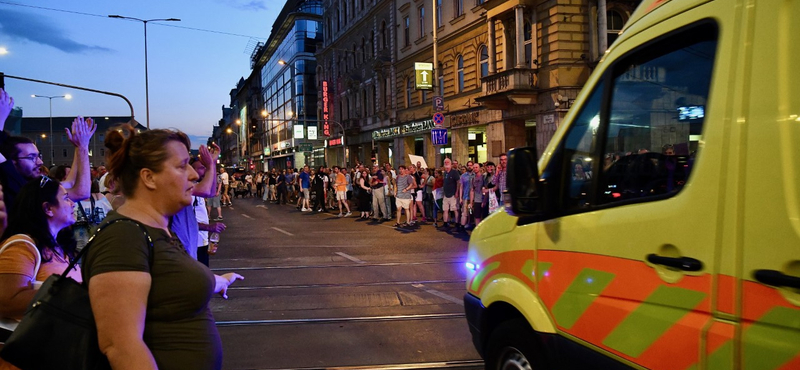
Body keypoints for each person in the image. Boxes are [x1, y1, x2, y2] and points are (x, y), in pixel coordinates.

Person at [81, 126, 243, 370]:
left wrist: (219, 281)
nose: (192, 174)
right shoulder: (123, 237)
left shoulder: (156, 230)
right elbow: (121, 346)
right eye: (181, 165)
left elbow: (168, 282)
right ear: (149, 177)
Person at [0, 177, 81, 368]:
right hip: (21, 359)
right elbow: (6, 300)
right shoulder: (22, 245)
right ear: (47, 208)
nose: (72, 203)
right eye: (66, 198)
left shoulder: (61, 248)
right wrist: (74, 295)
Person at [0, 91, 94, 210]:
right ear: (11, 163)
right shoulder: (24, 190)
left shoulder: (37, 184)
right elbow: (81, 192)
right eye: (31, 157)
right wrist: (83, 147)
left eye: (38, 156)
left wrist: (78, 146)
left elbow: (70, 183)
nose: (39, 162)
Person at [191, 158, 226, 267]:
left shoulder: (196, 187)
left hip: (201, 241)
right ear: (191, 170)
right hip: (193, 243)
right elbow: (186, 223)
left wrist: (212, 164)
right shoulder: (188, 191)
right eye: (202, 168)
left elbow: (211, 192)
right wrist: (209, 228)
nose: (205, 171)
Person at [440, 158, 460, 229]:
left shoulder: (454, 172)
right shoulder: (445, 173)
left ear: (450, 163)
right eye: (445, 162)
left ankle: (457, 224)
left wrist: (457, 192)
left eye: (447, 162)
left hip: (453, 195)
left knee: (455, 209)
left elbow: (458, 182)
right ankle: (445, 223)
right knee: (445, 209)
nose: (446, 163)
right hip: (446, 195)